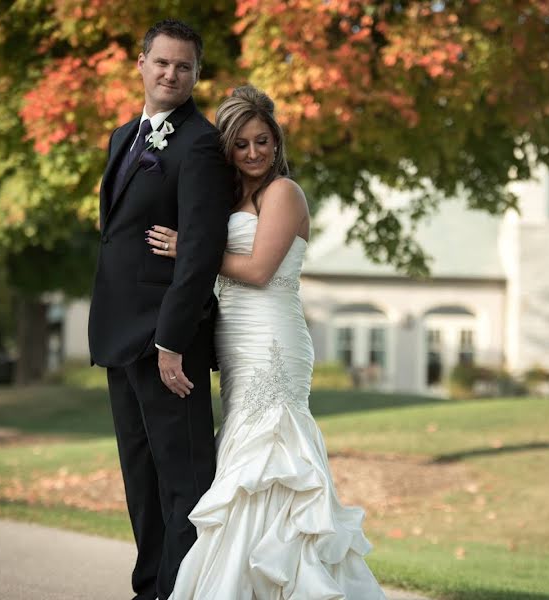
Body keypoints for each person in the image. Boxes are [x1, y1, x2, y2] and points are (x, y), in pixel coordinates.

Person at [145, 85, 387, 599]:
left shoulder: (283, 193)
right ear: (227, 148)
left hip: (273, 340)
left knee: (269, 462)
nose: (255, 153)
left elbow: (256, 271)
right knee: (243, 459)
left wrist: (188, 249)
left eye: (263, 141)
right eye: (242, 144)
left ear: (277, 142)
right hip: (234, 343)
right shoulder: (231, 197)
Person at [87, 19, 234, 600]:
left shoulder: (201, 143)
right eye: (163, 62)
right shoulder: (123, 136)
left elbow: (199, 251)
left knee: (185, 483)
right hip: (119, 335)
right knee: (141, 481)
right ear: (142, 64)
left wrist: (171, 339)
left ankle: (184, 592)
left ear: (196, 75)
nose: (172, 74)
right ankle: (148, 588)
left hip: (168, 341)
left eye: (185, 66)